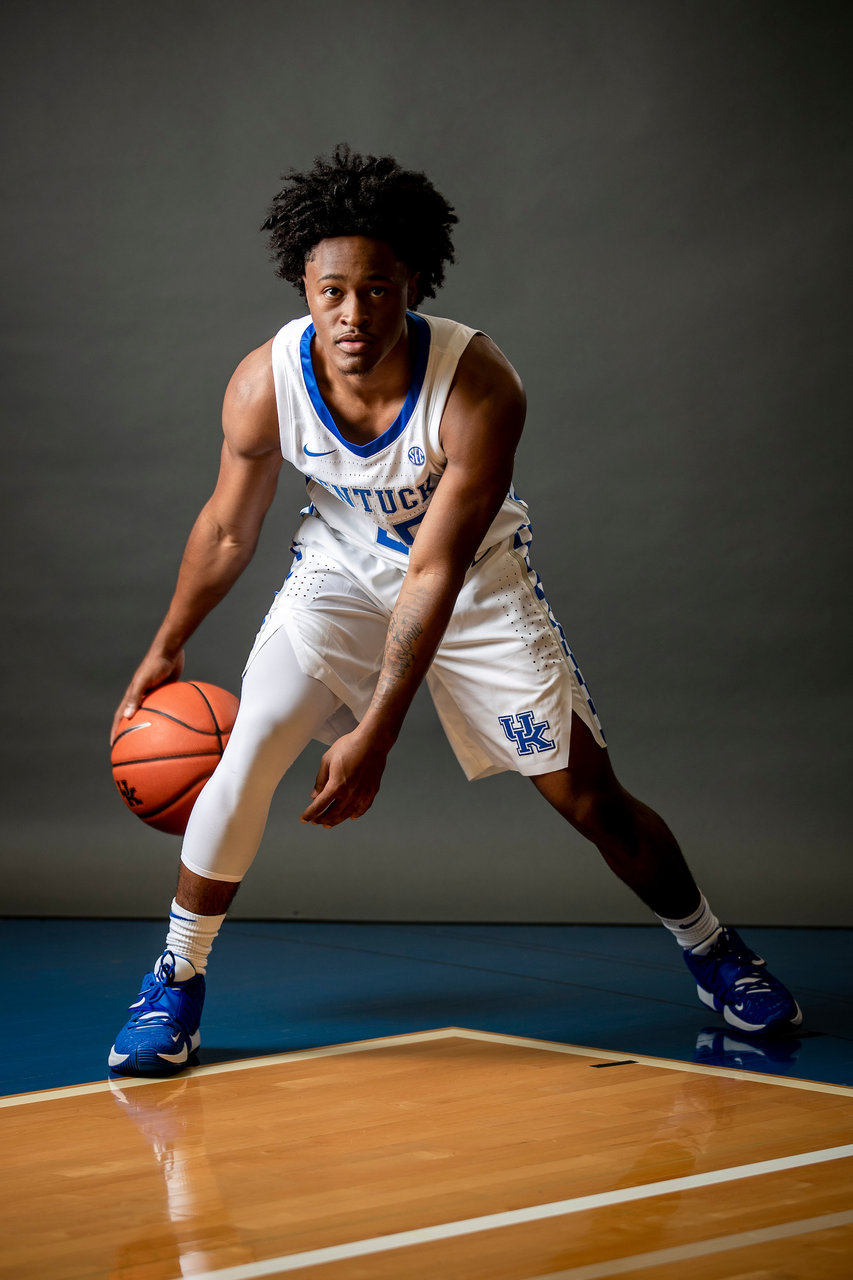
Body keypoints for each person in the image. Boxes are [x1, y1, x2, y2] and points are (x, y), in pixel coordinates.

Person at [107, 146, 800, 1077]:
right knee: (253, 741)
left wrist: (379, 733)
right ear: (300, 285)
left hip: (471, 584)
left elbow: (433, 569)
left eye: (380, 291)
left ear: (414, 284)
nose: (354, 315)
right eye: (332, 291)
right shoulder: (261, 381)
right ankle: (175, 980)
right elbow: (229, 530)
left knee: (588, 798)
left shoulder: (478, 386)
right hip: (340, 574)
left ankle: (711, 945)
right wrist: (166, 646)